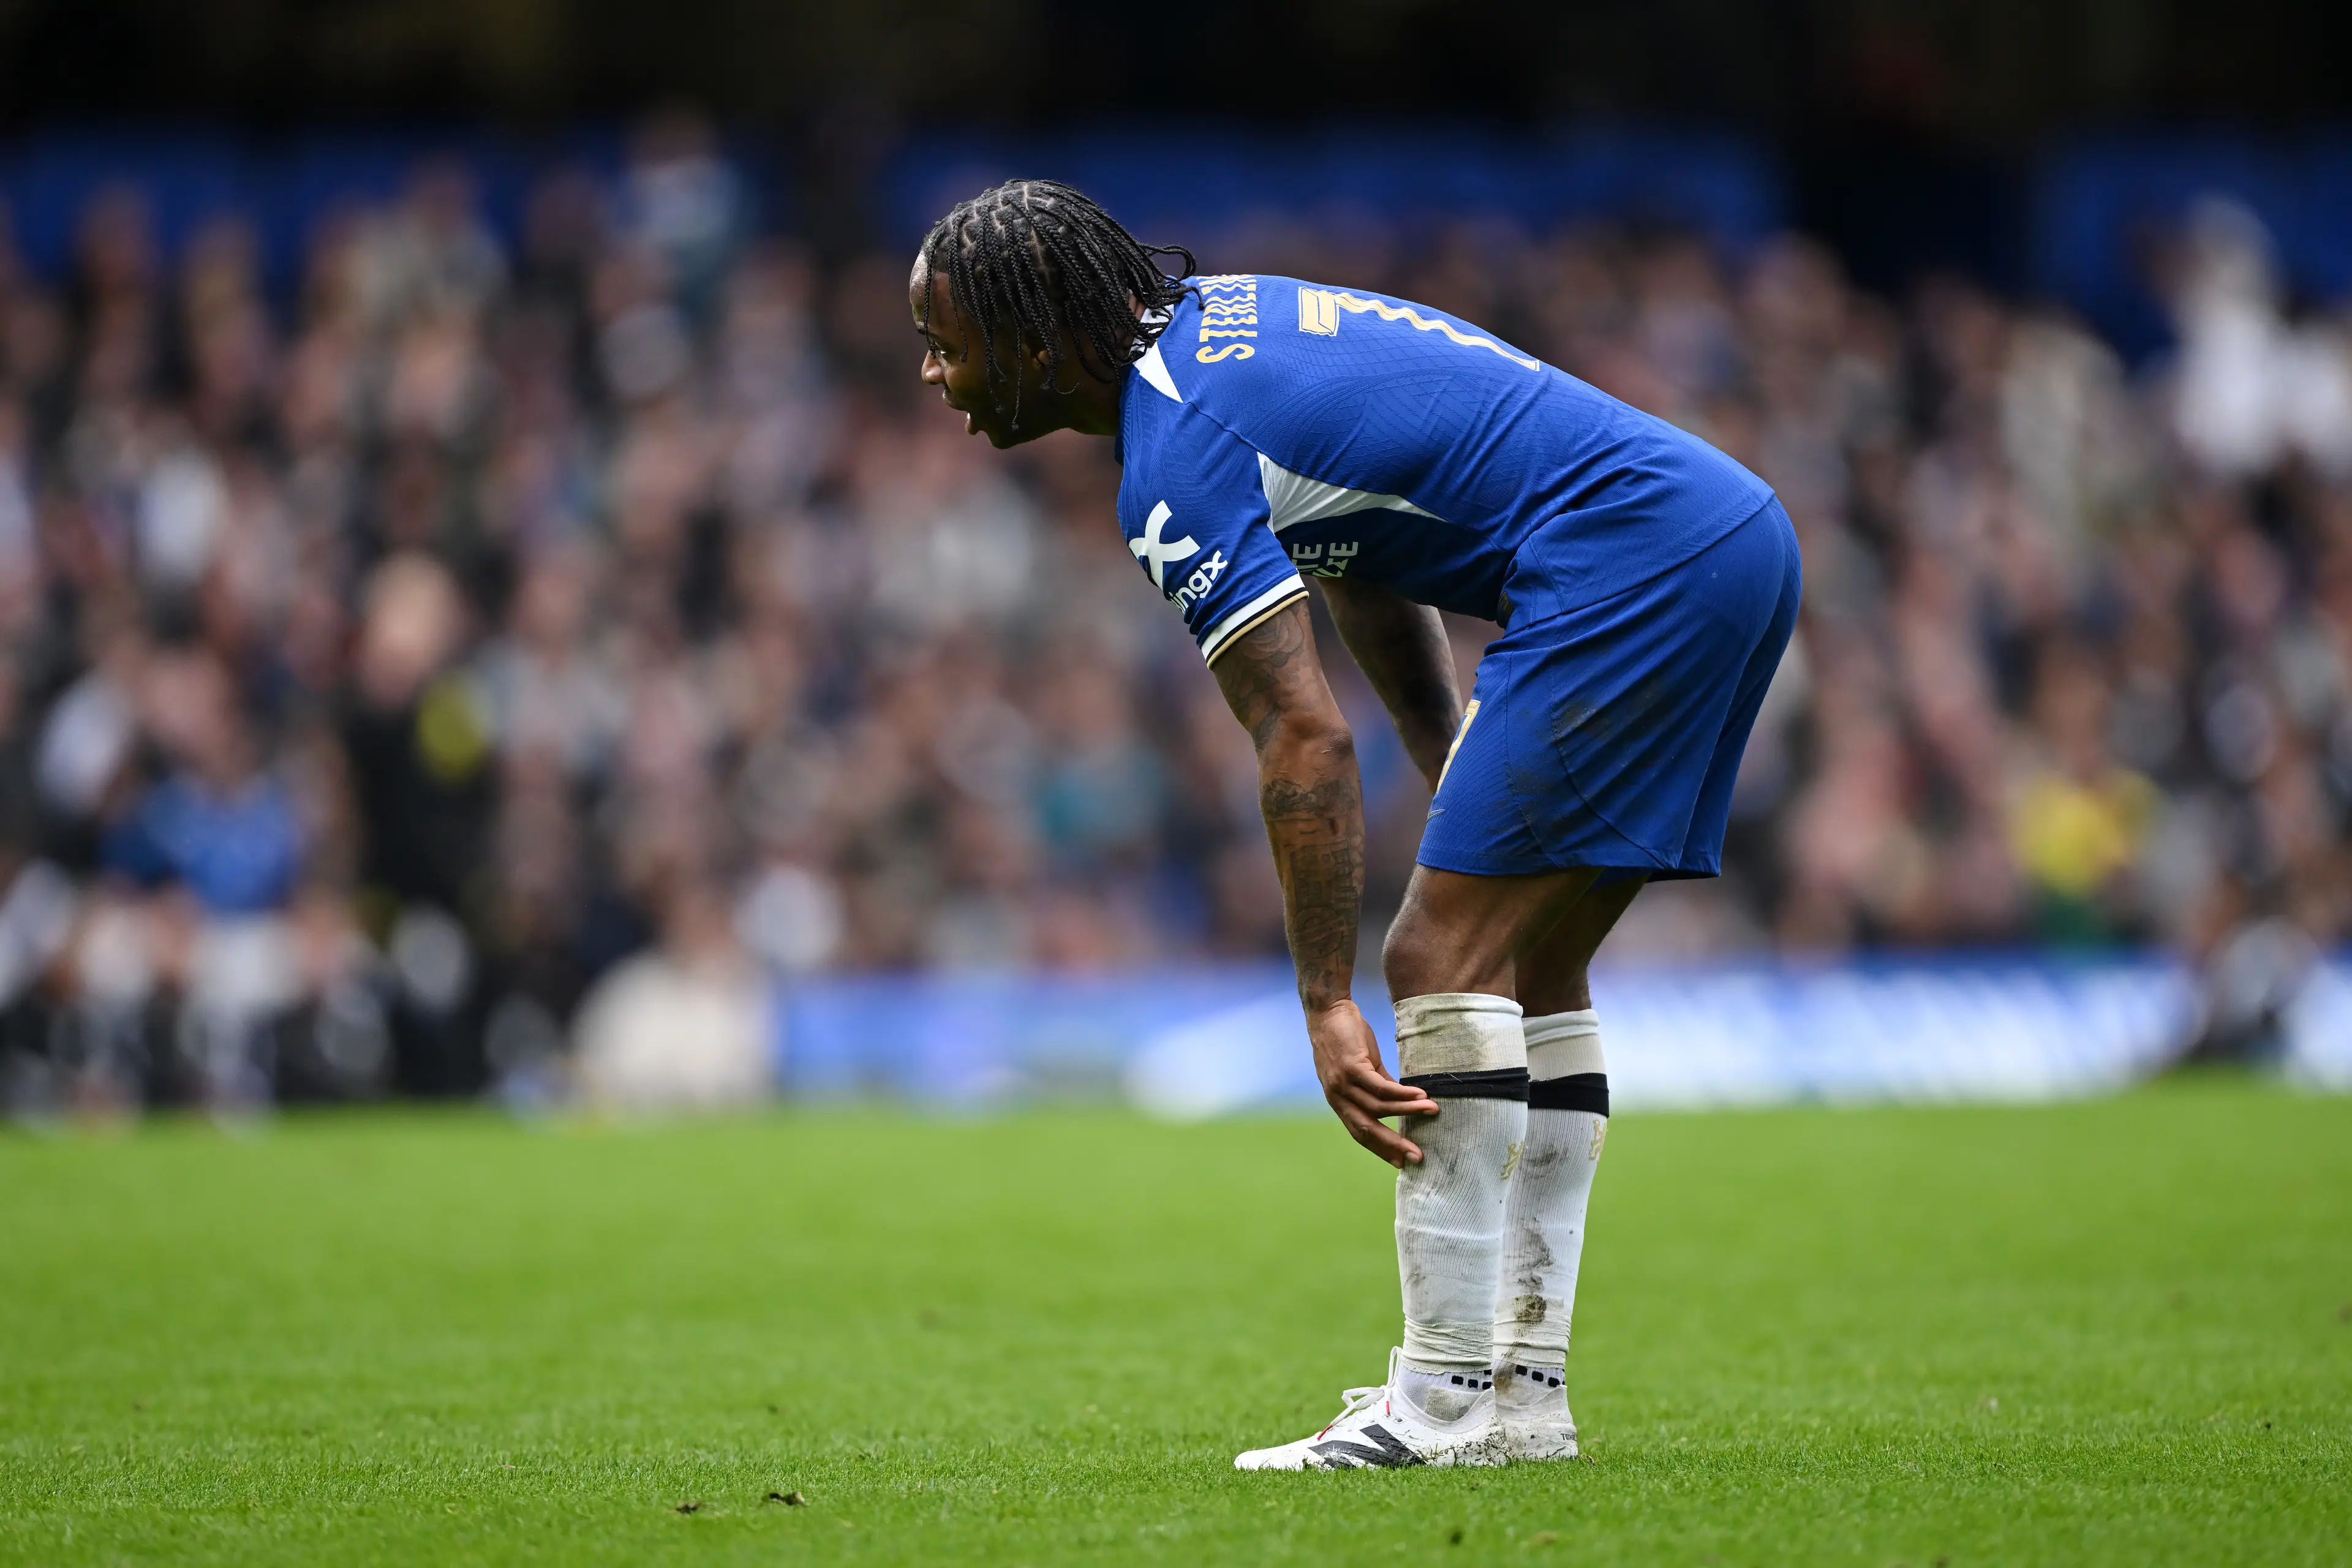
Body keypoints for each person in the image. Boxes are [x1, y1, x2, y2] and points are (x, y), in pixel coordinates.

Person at [910, 181, 1800, 1469]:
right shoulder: (1227, 326)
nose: (937, 375)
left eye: (950, 341)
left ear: (1037, 338)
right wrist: (1453, 762)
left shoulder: (1173, 453)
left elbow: (1304, 737)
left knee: (1431, 963)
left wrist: (1326, 1000)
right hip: (1725, 530)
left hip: (1633, 560)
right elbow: (1366, 553)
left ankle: (1438, 1403)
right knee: (1527, 961)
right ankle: (1522, 1394)